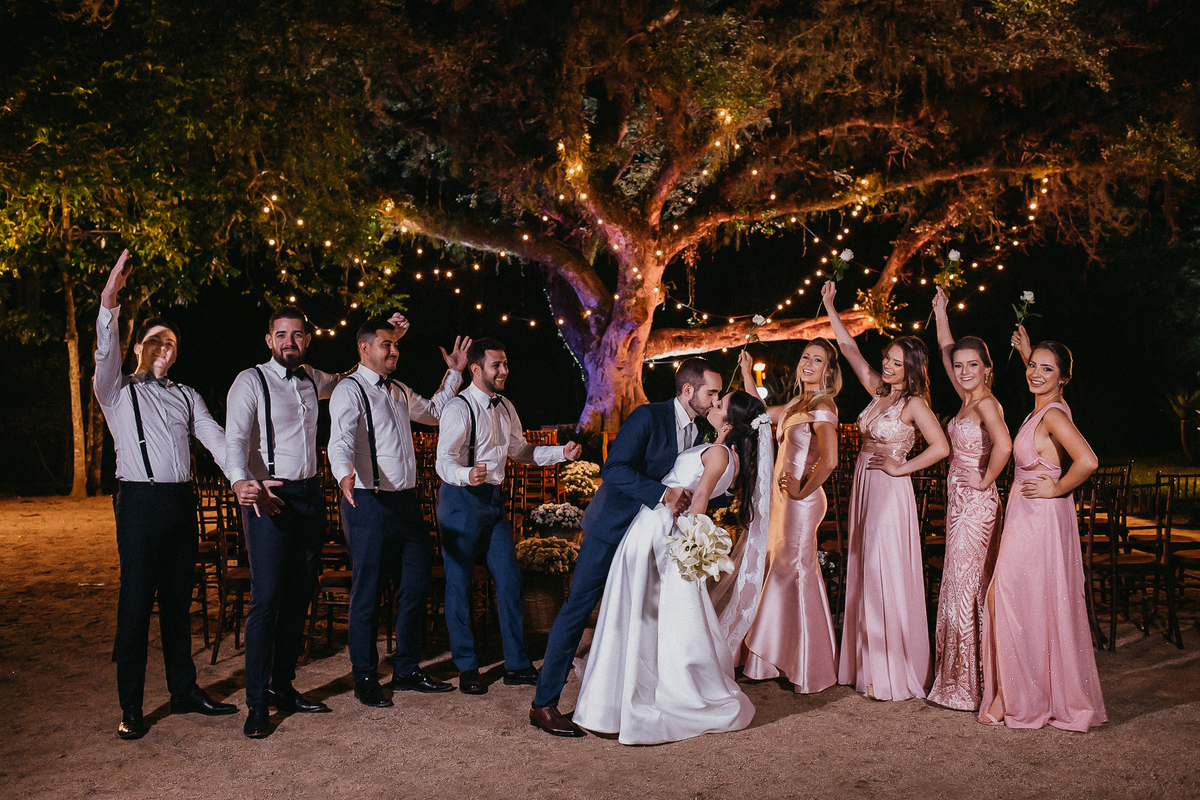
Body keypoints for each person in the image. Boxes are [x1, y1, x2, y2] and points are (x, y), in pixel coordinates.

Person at [529, 357, 722, 737]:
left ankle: (625, 699)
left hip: (652, 539)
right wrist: (660, 494)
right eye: (711, 392)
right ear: (687, 390)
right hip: (611, 529)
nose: (716, 400)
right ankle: (543, 705)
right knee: (579, 607)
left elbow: (691, 480)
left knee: (641, 616)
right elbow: (614, 468)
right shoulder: (648, 417)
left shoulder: (701, 430)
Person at [572, 390, 771, 745]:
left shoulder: (718, 453)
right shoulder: (726, 453)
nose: (713, 404)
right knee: (651, 616)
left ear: (728, 423)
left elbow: (698, 502)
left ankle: (640, 697)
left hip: (661, 532)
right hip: (656, 527)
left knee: (646, 613)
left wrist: (688, 544)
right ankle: (629, 690)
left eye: (720, 404)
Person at [93, 250, 236, 740]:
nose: (164, 349)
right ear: (138, 346)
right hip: (138, 503)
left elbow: (215, 438)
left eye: (171, 343)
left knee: (179, 603)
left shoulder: (187, 395)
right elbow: (103, 353)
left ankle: (184, 690)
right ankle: (130, 706)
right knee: (135, 606)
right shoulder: (116, 389)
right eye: (155, 341)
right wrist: (109, 300)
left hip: (181, 504)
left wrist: (240, 477)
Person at [225, 305, 372, 737]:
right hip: (269, 494)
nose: (290, 342)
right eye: (282, 335)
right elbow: (235, 437)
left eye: (298, 335)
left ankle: (282, 686)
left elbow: (351, 377)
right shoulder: (249, 381)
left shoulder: (312, 378)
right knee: (267, 598)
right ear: (269, 340)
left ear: (308, 339)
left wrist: (388, 339)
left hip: (310, 494)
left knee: (299, 595)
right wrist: (240, 482)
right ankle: (256, 702)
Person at [327, 316, 469, 707]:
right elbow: (338, 440)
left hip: (405, 503)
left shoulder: (399, 390)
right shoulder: (349, 389)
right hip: (367, 502)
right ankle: (366, 676)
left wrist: (454, 373)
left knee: (415, 586)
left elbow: (437, 412)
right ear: (364, 348)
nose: (394, 350)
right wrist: (343, 475)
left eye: (395, 345)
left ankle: (406, 669)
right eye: (386, 344)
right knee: (368, 593)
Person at [822, 280, 949, 701]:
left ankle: (890, 668)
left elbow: (941, 446)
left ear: (911, 367)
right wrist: (830, 307)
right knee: (863, 565)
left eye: (896, 361)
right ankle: (864, 663)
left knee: (881, 568)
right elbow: (851, 351)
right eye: (888, 359)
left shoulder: (914, 404)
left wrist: (902, 468)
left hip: (890, 489)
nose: (888, 365)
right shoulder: (878, 391)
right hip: (864, 483)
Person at [435, 338, 582, 695]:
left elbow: (520, 450)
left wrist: (560, 452)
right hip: (460, 500)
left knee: (509, 580)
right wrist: (465, 475)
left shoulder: (505, 407)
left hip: (493, 504)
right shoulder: (459, 408)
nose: (504, 371)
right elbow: (444, 459)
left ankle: (516, 664)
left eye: (505, 364)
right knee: (459, 585)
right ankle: (468, 667)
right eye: (496, 365)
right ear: (476, 369)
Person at [978, 334, 1105, 731]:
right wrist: (1026, 350)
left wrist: (1055, 486)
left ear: (1063, 378)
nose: (1035, 372)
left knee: (1007, 599)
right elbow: (1040, 371)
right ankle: (1019, 690)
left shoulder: (1053, 415)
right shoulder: (1046, 407)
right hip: (1027, 514)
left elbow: (1087, 460)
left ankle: (1012, 695)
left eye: (1046, 368)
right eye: (1032, 365)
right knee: (1023, 599)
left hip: (1040, 517)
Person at [734, 342, 840, 694]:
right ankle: (771, 659)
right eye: (806, 357)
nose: (809, 364)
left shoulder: (823, 405)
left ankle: (806, 665)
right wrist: (748, 373)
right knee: (780, 571)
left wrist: (801, 489)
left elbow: (829, 460)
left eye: (818, 360)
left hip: (803, 501)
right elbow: (760, 415)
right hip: (783, 502)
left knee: (790, 572)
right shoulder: (798, 403)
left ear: (828, 370)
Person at [926, 288, 1012, 711]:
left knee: (966, 587)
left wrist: (986, 481)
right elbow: (945, 352)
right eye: (959, 366)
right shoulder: (966, 398)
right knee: (957, 585)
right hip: (959, 502)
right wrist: (941, 312)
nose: (962, 371)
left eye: (971, 365)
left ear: (987, 368)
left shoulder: (986, 403)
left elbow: (1004, 445)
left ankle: (971, 685)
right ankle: (959, 679)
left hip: (975, 506)